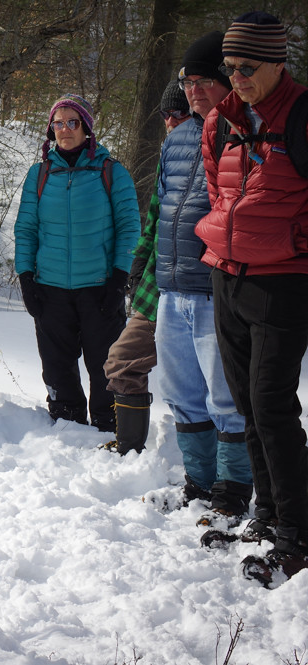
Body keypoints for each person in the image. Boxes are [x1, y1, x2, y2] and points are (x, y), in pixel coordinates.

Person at [195, 12, 308, 586]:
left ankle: (298, 535)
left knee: (271, 404)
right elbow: (218, 188)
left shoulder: (302, 115)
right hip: (228, 275)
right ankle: (266, 515)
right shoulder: (221, 121)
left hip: (284, 281)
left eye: (247, 67)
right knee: (245, 402)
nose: (235, 77)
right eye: (230, 67)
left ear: (277, 63)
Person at [150, 32, 252, 521]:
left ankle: (234, 490)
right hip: (172, 286)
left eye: (204, 80)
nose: (193, 90)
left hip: (216, 289)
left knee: (226, 397)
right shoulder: (177, 137)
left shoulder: (245, 130)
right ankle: (200, 481)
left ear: (227, 81)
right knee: (183, 393)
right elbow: (162, 209)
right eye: (187, 81)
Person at [15, 94, 140, 431]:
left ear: (86, 128)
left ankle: (106, 423)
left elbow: (130, 227)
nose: (65, 129)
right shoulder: (39, 175)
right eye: (58, 123)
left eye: (73, 122)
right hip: (50, 288)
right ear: (50, 129)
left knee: (105, 365)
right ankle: (66, 421)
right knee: (56, 365)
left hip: (100, 288)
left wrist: (118, 279)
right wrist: (26, 277)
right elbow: (26, 229)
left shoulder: (112, 172)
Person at [102, 78, 190, 454]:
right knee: (122, 360)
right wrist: (138, 267)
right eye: (165, 115)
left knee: (207, 387)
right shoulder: (169, 154)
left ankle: (220, 478)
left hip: (200, 288)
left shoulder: (213, 152)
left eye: (179, 114)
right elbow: (153, 219)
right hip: (157, 285)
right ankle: (130, 448)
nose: (171, 121)